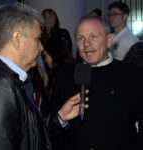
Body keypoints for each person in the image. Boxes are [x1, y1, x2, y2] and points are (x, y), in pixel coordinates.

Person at [0, 3, 88, 150]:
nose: (41, 47)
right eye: (37, 39)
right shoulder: (0, 86)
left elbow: (28, 136)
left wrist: (60, 117)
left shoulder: (13, 79)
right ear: (17, 39)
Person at [51, 15, 143, 150]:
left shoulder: (131, 74)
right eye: (80, 38)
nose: (86, 44)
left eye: (93, 37)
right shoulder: (65, 75)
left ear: (109, 40)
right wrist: (61, 119)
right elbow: (51, 126)